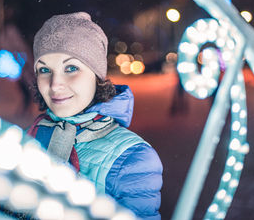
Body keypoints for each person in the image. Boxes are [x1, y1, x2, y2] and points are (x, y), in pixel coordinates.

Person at [28, 12, 163, 219]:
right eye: (44, 69)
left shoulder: (132, 159)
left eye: (71, 68)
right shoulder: (32, 135)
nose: (55, 84)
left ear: (96, 76)